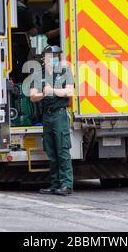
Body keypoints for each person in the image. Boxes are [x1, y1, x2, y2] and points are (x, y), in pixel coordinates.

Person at [30, 45, 74, 196]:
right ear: (44, 58)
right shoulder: (39, 74)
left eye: (56, 56)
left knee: (62, 150)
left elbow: (70, 91)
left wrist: (53, 91)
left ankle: (66, 184)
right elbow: (32, 96)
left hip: (59, 115)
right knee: (51, 151)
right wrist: (43, 93)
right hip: (47, 116)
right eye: (51, 56)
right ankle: (55, 184)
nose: (54, 58)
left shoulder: (64, 72)